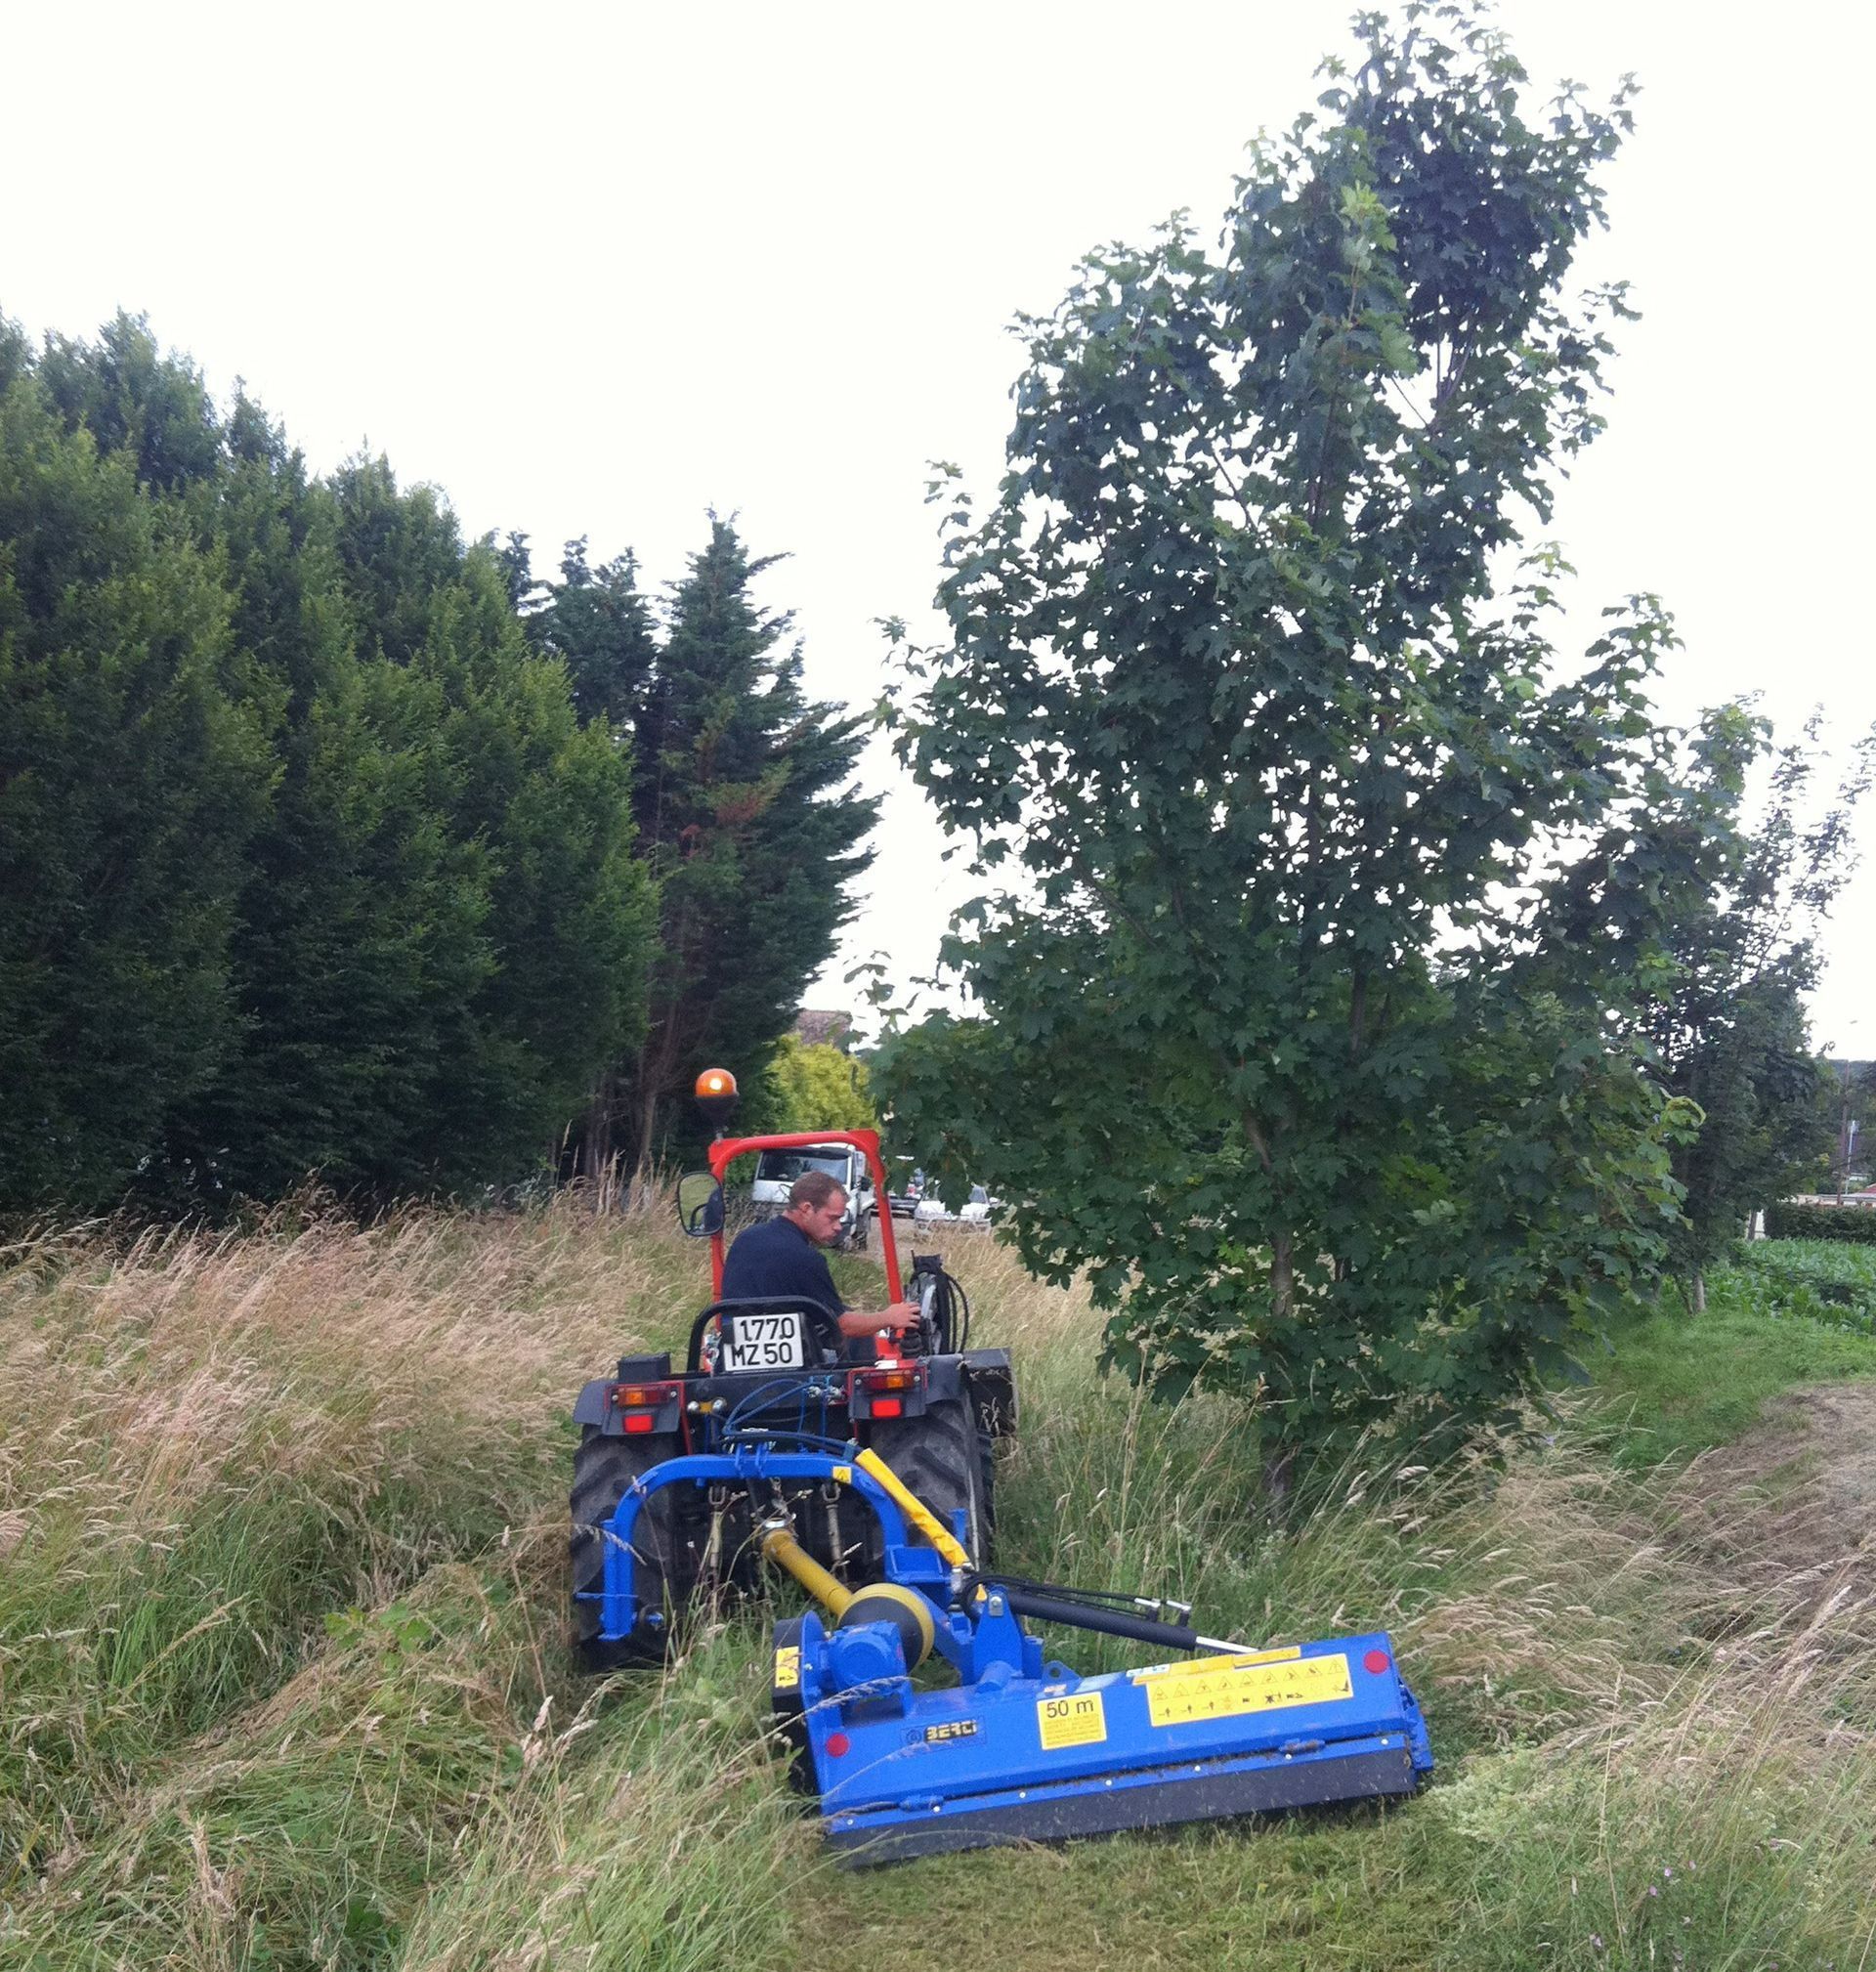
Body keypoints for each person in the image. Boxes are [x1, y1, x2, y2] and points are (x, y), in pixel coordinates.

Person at [720, 1171, 917, 1340]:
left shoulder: (745, 1239)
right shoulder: (806, 1259)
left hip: (732, 1359)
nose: (838, 1227)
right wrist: (889, 1317)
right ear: (806, 1209)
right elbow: (843, 1325)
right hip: (791, 1374)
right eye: (832, 1218)